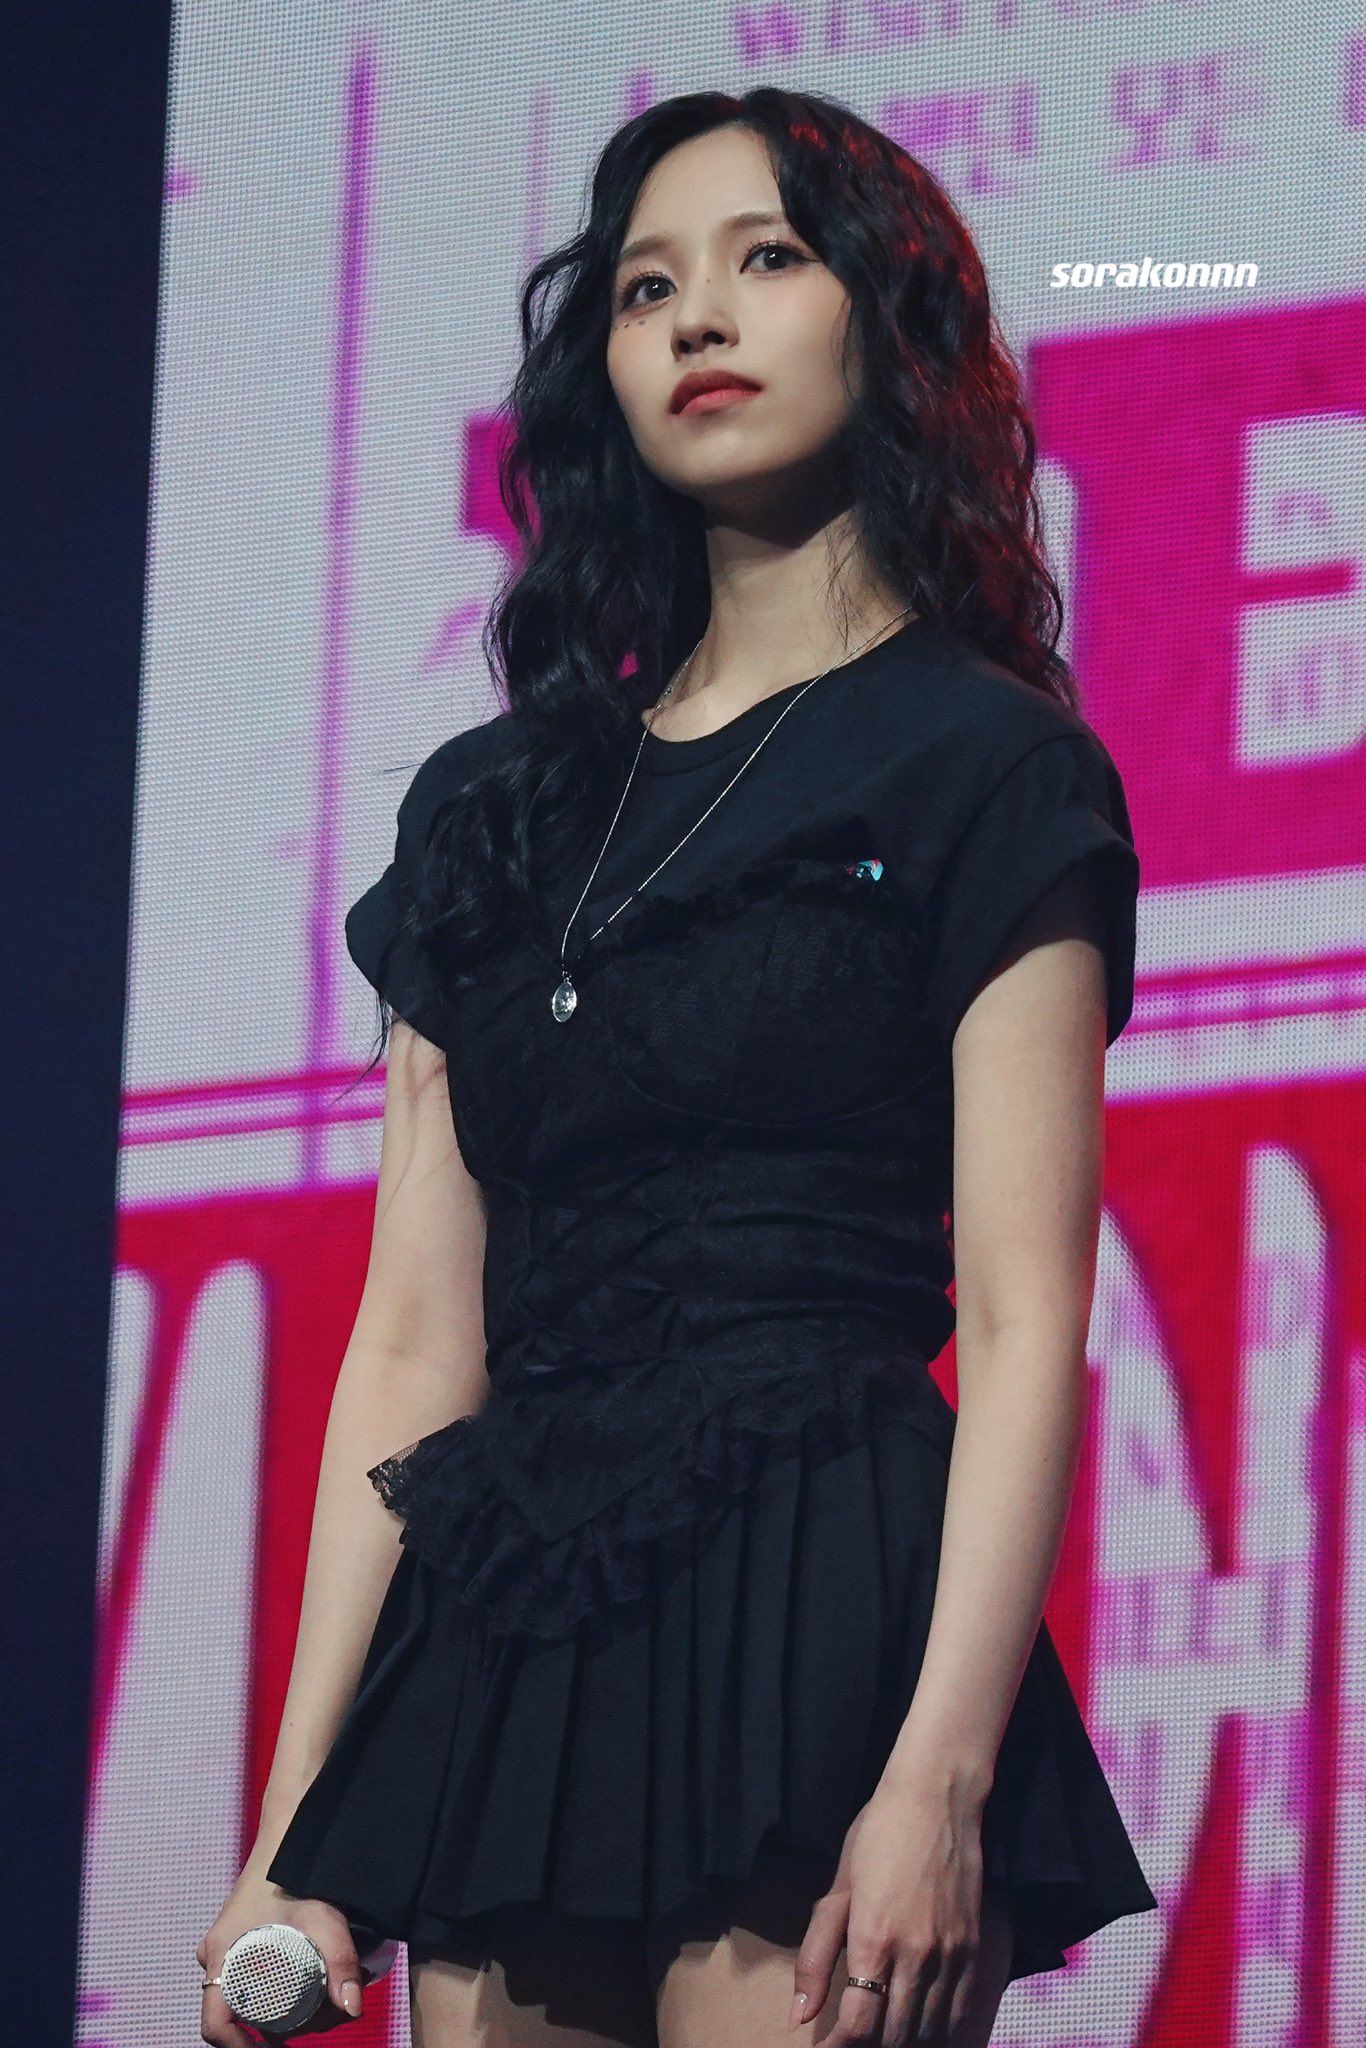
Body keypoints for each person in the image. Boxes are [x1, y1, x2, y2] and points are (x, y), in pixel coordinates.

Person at [197, 85, 1159, 2048]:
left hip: (821, 1606)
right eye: (645, 288)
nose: (696, 318)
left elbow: (1020, 1311)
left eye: (765, 259)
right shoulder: (493, 808)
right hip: (510, 1633)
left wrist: (937, 1780)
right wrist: (296, 1830)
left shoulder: (986, 762)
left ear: (887, 323)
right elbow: (415, 1339)